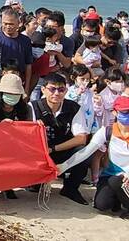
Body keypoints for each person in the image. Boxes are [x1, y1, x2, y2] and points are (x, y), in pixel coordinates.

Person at [58, 95, 129, 219]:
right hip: (111, 176)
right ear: (115, 112)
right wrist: (62, 167)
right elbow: (86, 151)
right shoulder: (106, 131)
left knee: (117, 181)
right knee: (101, 205)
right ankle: (119, 198)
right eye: (124, 111)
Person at [29, 73, 89, 205]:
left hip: (61, 149)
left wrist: (53, 149)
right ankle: (35, 182)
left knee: (84, 152)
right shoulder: (32, 107)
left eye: (61, 90)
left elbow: (81, 138)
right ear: (43, 90)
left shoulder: (73, 108)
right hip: (39, 152)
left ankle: (70, 189)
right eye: (52, 89)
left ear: (66, 91)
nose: (57, 93)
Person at [0, 8, 33, 96]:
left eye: (11, 24)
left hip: (17, 81)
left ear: (18, 23)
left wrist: (27, 88)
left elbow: (28, 65)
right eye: (5, 23)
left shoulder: (25, 41)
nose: (8, 26)